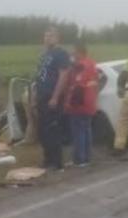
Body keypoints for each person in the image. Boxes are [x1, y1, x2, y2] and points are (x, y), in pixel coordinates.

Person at [35, 26, 71, 170]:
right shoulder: (44, 54)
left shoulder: (61, 54)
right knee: (42, 130)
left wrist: (55, 97)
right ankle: (47, 158)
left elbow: (63, 75)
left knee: (53, 129)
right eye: (46, 36)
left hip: (52, 96)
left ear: (58, 38)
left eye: (51, 36)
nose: (48, 38)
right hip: (41, 96)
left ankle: (56, 162)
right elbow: (39, 76)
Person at [64, 42, 98, 167]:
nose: (72, 54)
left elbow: (74, 79)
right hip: (89, 101)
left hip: (79, 102)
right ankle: (87, 158)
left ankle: (80, 159)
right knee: (86, 130)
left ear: (79, 52)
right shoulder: (92, 63)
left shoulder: (80, 65)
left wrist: (69, 62)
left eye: (74, 52)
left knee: (78, 132)